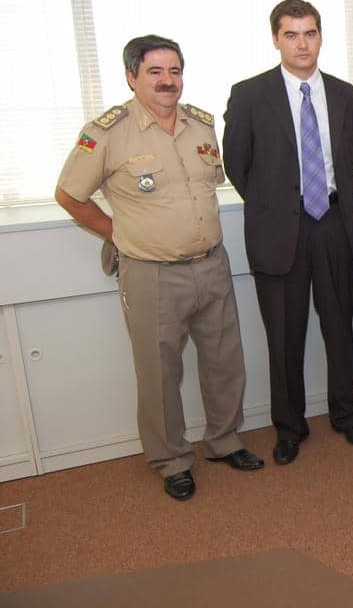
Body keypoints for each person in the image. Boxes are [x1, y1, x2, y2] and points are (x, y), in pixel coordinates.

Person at [55, 35, 264, 501]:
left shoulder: (201, 126)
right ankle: (171, 460)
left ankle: (224, 440)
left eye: (174, 71)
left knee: (224, 361)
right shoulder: (108, 132)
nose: (168, 81)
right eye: (155, 72)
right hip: (151, 273)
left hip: (211, 264)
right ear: (131, 76)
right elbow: (70, 195)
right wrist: (118, 232)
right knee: (159, 372)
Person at [223, 0, 353, 466]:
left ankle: (348, 416)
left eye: (310, 33)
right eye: (291, 34)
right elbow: (237, 167)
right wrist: (279, 206)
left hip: (332, 224)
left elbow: (347, 164)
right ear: (276, 39)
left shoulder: (348, 96)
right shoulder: (249, 95)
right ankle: (289, 428)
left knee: (338, 329)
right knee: (284, 337)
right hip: (279, 231)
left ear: (321, 37)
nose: (302, 43)